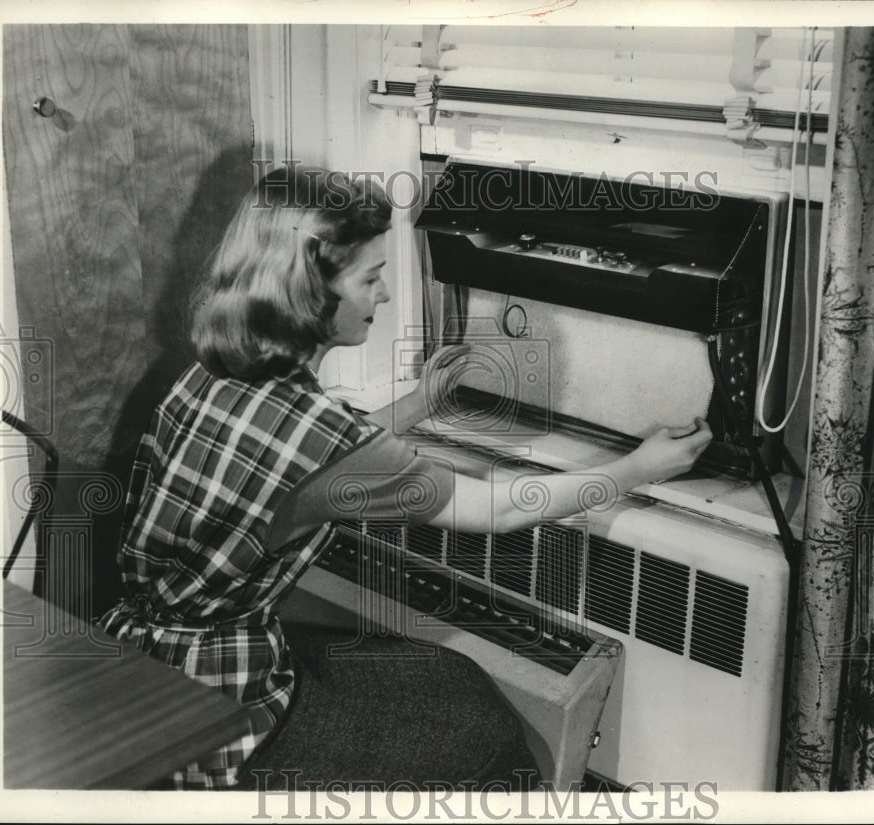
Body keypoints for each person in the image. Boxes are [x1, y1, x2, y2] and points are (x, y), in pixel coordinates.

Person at [97, 165, 712, 790]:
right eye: (370, 277)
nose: (384, 295)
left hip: (143, 652)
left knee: (447, 679)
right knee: (482, 733)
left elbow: (308, 460)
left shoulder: (212, 368)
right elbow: (497, 510)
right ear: (311, 292)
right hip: (218, 695)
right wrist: (638, 468)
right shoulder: (326, 438)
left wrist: (419, 404)